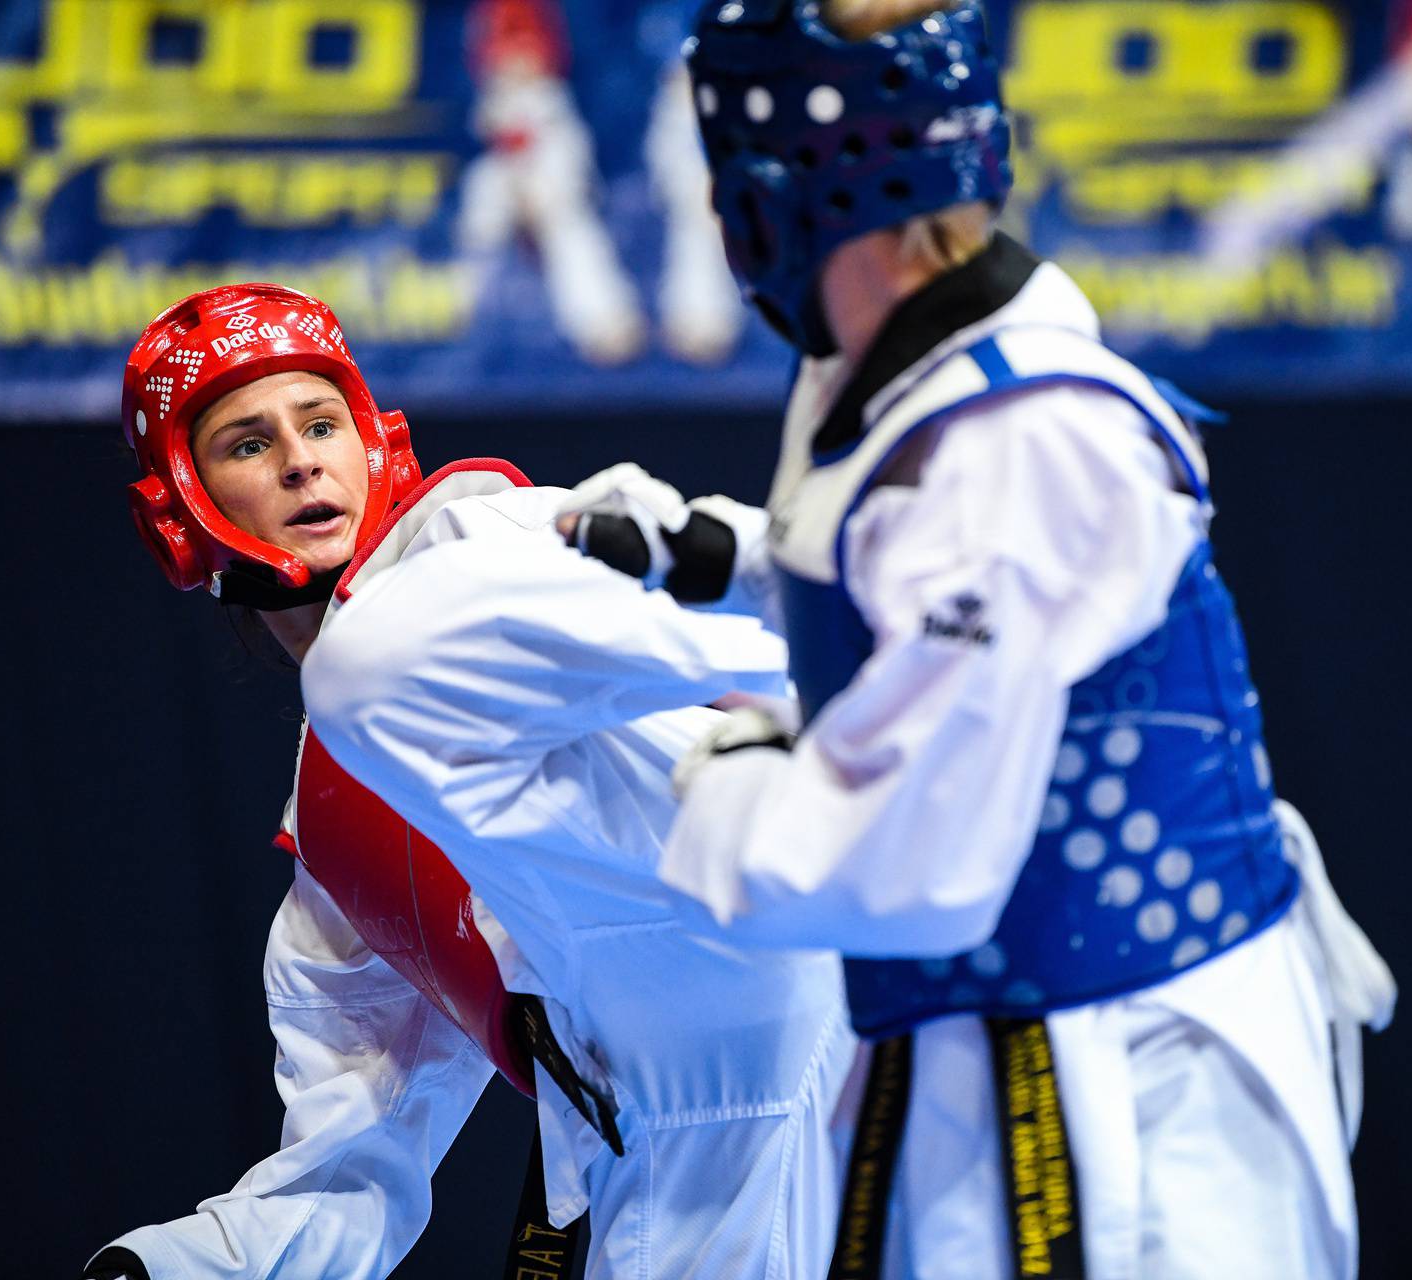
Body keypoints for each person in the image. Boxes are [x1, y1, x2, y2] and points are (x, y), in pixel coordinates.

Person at [556, 2, 1397, 1276]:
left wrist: (722, 777)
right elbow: (896, 575)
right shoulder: (896, 363)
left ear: (778, 188)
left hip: (1131, 1080)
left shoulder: (1023, 438)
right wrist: (710, 558)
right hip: (986, 1025)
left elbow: (909, 860)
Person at [85, 283, 854, 1280]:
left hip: (826, 1036)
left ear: (375, 443)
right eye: (247, 443)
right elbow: (349, 1169)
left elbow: (760, 627)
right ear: (182, 513)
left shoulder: (486, 549)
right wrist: (166, 1265)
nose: (302, 458)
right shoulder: (341, 855)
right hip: (666, 1163)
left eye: (322, 422)